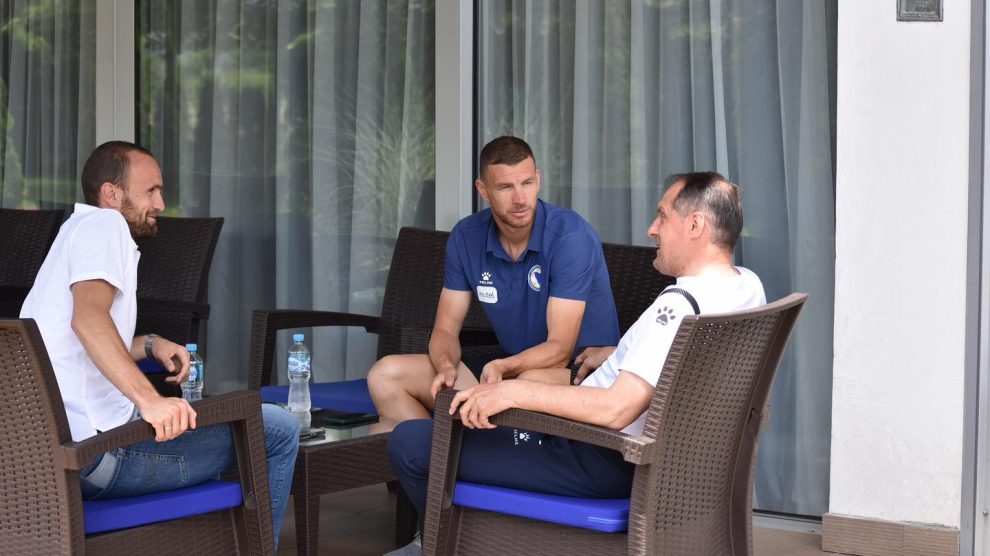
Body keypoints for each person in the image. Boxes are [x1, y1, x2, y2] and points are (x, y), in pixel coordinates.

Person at [385, 171, 767, 554]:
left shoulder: (678, 306)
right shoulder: (745, 286)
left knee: (411, 442)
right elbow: (686, 365)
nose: (652, 229)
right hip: (668, 462)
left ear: (695, 225)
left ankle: (445, 545)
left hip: (596, 455)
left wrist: (511, 392)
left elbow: (616, 409)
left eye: (663, 216)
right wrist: (620, 354)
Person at [19, 141, 299, 547]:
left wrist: (150, 344)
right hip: (99, 455)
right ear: (111, 193)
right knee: (277, 428)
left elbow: (73, 340)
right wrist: (150, 401)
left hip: (49, 456)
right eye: (150, 191)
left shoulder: (72, 232)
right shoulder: (106, 226)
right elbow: (88, 320)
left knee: (224, 425)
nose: (161, 203)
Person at [368, 136, 620, 433]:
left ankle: (464, 452)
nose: (520, 198)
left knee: (528, 382)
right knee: (385, 375)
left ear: (538, 179)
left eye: (527, 183)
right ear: (483, 190)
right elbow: (446, 329)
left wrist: (502, 367)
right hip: (508, 369)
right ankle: (435, 456)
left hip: (576, 374)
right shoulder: (467, 236)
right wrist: (445, 366)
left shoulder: (570, 237)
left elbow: (559, 350)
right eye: (505, 187)